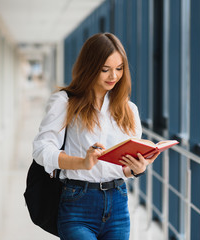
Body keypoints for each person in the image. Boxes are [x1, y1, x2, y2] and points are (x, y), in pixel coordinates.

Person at [32, 32, 160, 240]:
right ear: (89, 67)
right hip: (77, 203)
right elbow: (41, 150)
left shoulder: (129, 109)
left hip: (118, 204)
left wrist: (136, 169)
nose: (113, 76)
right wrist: (82, 162)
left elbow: (121, 167)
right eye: (105, 70)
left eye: (119, 69)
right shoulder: (65, 102)